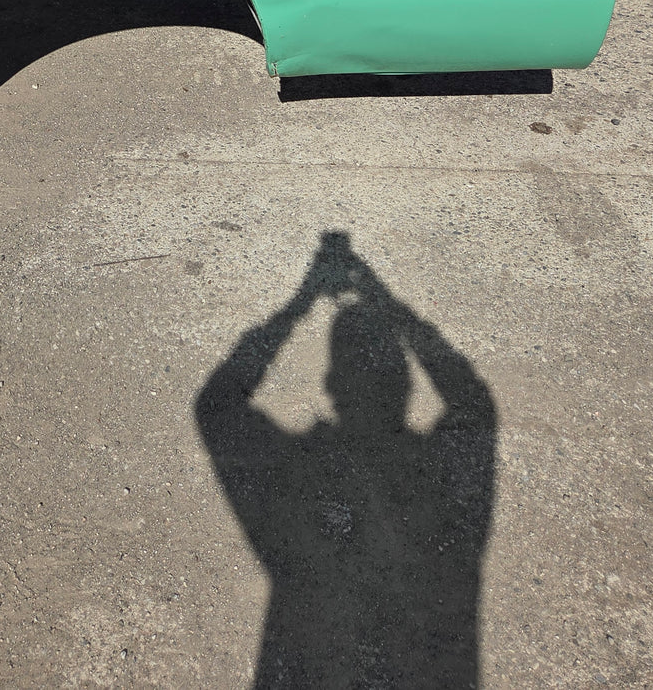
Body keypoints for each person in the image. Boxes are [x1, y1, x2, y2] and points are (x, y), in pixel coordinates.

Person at [196, 233, 496, 689]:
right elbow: (475, 404)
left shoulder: (297, 474)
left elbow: (216, 407)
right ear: (405, 390)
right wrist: (386, 300)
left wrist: (300, 305)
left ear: (332, 386)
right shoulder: (435, 480)